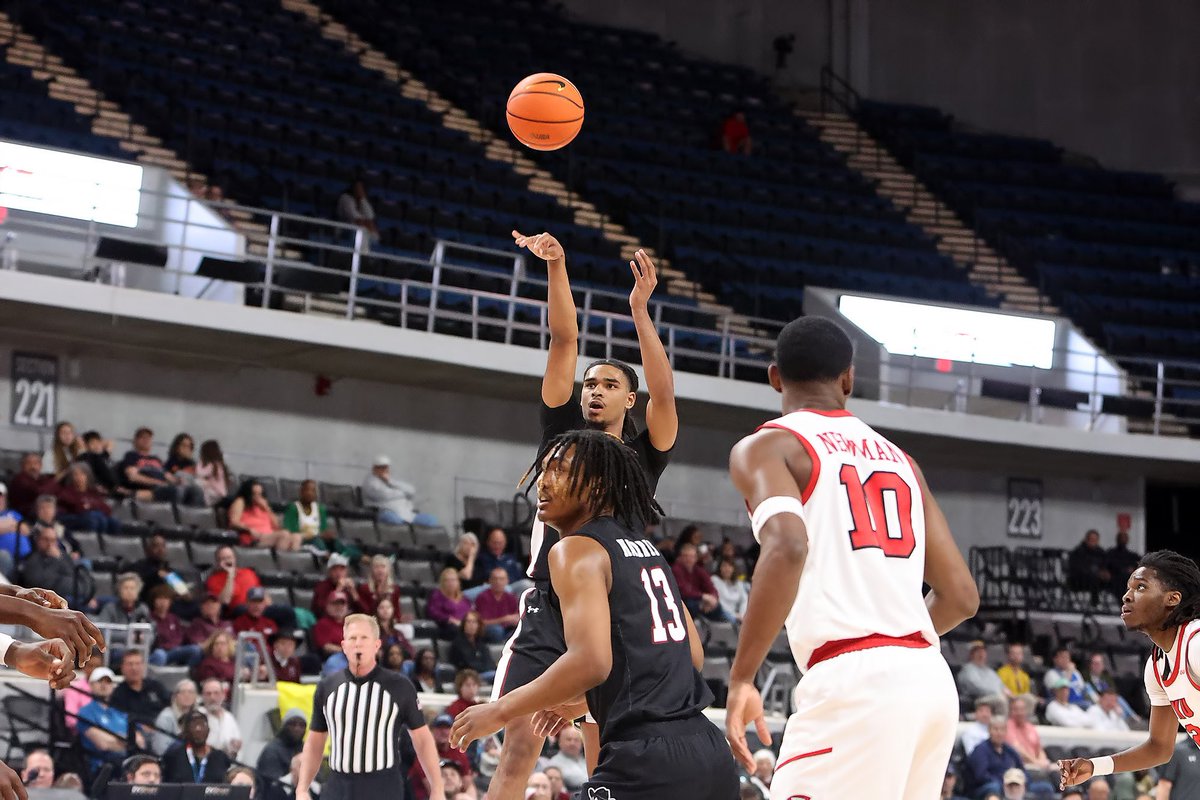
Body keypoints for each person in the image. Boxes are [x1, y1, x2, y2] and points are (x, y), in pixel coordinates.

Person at [721, 317, 979, 800]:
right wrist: (896, 643)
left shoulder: (768, 446)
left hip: (854, 680)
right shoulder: (903, 461)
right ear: (849, 379)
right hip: (929, 680)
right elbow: (962, 597)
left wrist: (741, 677)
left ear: (775, 378)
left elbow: (787, 546)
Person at [481, 232, 680, 800]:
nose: (593, 391)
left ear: (629, 401)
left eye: (609, 385)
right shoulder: (560, 433)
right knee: (520, 741)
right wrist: (557, 266)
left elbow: (665, 394)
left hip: (617, 609)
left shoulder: (644, 454)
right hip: (550, 604)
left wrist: (640, 312)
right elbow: (564, 338)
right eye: (590, 384)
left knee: (604, 758)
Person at [450, 429, 736, 800]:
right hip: (709, 752)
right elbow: (690, 656)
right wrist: (584, 702)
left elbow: (591, 661)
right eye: (544, 470)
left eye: (561, 471)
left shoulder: (575, 549)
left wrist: (501, 709)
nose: (544, 482)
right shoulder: (646, 550)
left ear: (598, 486)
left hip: (646, 762)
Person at [1060, 551, 1200, 789]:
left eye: (1141, 587)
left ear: (1172, 598)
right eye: (1128, 588)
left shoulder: (1195, 644)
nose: (1126, 596)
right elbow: (1159, 747)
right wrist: (1095, 766)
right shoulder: (1156, 667)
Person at [295, 613, 446, 800]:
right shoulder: (327, 687)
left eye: (364, 637)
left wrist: (437, 789)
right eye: (352, 638)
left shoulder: (400, 686)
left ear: (376, 645)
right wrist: (302, 788)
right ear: (344, 646)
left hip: (382, 786)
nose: (358, 643)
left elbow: (422, 739)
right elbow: (315, 741)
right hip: (337, 786)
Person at [78, 666, 143, 774]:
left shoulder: (120, 712)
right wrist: (125, 739)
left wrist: (116, 739)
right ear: (91, 685)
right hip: (103, 766)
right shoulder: (85, 712)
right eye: (99, 681)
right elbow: (103, 744)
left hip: (129, 763)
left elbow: (140, 741)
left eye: (108, 682)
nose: (104, 685)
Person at [120, 427, 203, 506]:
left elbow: (168, 476)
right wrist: (159, 483)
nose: (146, 440)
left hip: (164, 487)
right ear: (135, 441)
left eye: (149, 438)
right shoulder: (131, 456)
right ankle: (174, 518)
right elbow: (133, 477)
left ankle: (193, 520)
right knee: (176, 490)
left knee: (196, 491)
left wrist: (178, 481)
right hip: (151, 489)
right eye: (142, 437)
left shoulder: (156, 459)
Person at [362, 456, 439, 527]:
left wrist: (391, 482)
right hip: (385, 512)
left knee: (431, 520)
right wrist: (403, 493)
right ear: (374, 468)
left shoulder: (390, 480)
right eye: (381, 467)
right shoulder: (370, 481)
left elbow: (411, 490)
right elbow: (383, 494)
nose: (384, 470)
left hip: (406, 514)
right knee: (395, 521)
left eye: (386, 467)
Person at [162, 709, 233, 783]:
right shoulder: (173, 756)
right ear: (185, 731)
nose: (198, 729)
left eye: (202, 724)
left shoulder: (220, 757)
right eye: (193, 725)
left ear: (209, 730)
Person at [409, 715, 470, 800]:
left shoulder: (459, 753)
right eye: (439, 728)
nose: (443, 732)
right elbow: (431, 788)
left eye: (447, 728)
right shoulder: (425, 752)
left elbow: (467, 782)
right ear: (431, 731)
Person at [228, 480, 300, 551]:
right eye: (254, 494)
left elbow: (277, 526)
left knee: (296, 537)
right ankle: (280, 561)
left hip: (270, 536)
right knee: (284, 535)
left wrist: (267, 508)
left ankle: (290, 562)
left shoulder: (264, 507)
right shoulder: (241, 501)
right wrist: (249, 529)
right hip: (254, 538)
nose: (257, 497)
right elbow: (233, 522)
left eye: (260, 494)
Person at [963, 717, 1026, 798]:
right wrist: (1003, 782)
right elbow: (981, 776)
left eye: (1002, 729)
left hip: (1011, 783)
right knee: (995, 787)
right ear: (989, 730)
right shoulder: (981, 750)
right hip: (982, 789)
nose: (999, 733)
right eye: (995, 729)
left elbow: (1022, 769)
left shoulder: (1009, 750)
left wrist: (1023, 780)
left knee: (1042, 787)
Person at [21, 525, 80, 606]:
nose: (50, 544)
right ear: (38, 540)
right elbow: (42, 584)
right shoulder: (32, 560)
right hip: (48, 601)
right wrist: (55, 560)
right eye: (46, 539)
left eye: (53, 540)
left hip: (74, 595)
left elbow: (74, 576)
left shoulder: (62, 556)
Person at [111, 649, 170, 730]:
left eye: (137, 664)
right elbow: (119, 720)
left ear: (143, 666)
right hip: (136, 733)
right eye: (130, 664)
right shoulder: (118, 695)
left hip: (162, 729)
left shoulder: (156, 687)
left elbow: (170, 706)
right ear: (122, 668)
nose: (134, 668)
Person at [1006, 696, 1057, 789]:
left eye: (1022, 709)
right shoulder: (1008, 726)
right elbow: (1017, 749)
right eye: (1016, 709)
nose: (1019, 712)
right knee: (1045, 784)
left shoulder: (1031, 727)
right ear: (1010, 712)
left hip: (1037, 765)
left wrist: (1043, 761)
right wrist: (1036, 762)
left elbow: (1039, 749)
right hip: (1021, 767)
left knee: (1061, 772)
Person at [672, 542, 730, 623]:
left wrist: (713, 598)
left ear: (696, 558)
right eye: (686, 556)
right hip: (684, 602)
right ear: (680, 557)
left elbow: (711, 588)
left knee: (717, 606)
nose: (689, 559)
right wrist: (703, 596)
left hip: (701, 603)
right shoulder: (676, 570)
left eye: (691, 556)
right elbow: (684, 592)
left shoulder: (699, 570)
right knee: (690, 605)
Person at [55, 464, 120, 534]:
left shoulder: (93, 492)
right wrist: (94, 507)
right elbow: (78, 508)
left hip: (95, 517)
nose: (79, 477)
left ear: (88, 476)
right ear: (71, 477)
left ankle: (111, 544)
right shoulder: (67, 492)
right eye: (76, 475)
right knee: (94, 518)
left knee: (114, 522)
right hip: (74, 519)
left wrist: (91, 506)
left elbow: (107, 510)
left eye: (82, 474)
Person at [258, 708, 308, 783]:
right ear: (284, 726)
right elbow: (271, 784)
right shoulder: (272, 750)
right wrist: (295, 775)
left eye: (302, 725)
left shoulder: (306, 750)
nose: (297, 729)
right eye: (293, 724)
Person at [958, 641, 1010, 712]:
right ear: (971, 654)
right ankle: (1004, 722)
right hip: (978, 699)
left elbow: (1000, 684)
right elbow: (975, 687)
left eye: (983, 651)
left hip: (994, 697)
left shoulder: (989, 671)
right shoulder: (968, 669)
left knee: (1025, 700)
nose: (981, 654)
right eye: (978, 652)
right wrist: (997, 692)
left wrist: (1007, 692)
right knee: (1001, 699)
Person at [153, 679, 198, 755]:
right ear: (175, 696)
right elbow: (160, 748)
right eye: (183, 692)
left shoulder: (199, 716)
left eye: (190, 692)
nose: (187, 695)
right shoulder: (166, 717)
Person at [200, 677, 242, 757]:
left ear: (223, 695)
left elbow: (237, 744)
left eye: (216, 693)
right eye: (208, 694)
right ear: (203, 696)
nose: (212, 698)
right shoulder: (198, 717)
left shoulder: (229, 717)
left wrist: (235, 746)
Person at [475, 567, 519, 643]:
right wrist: (505, 619)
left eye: (501, 579)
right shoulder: (483, 597)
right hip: (489, 630)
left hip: (507, 629)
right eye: (495, 579)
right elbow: (482, 622)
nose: (498, 582)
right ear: (489, 581)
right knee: (497, 630)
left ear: (507, 581)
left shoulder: (511, 597)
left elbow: (517, 617)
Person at [448, 610, 495, 680]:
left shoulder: (480, 643)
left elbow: (489, 662)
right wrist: (485, 668)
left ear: (478, 625)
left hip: (484, 673)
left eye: (474, 622)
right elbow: (469, 664)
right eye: (468, 622)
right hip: (466, 676)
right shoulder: (458, 643)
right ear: (464, 624)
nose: (471, 625)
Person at [9, 453, 57, 518]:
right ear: (22, 466)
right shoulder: (19, 479)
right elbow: (39, 492)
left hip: (44, 513)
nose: (32, 466)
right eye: (28, 463)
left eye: (36, 463)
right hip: (24, 515)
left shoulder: (43, 479)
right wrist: (54, 481)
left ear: (41, 465)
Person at [427, 568, 471, 639]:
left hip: (465, 626)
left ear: (458, 582)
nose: (450, 583)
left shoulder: (464, 599)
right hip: (447, 627)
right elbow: (433, 612)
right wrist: (450, 619)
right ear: (442, 582)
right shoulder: (437, 595)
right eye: (447, 580)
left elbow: (471, 614)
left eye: (453, 580)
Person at [0, 482, 30, 580]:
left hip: (26, 557)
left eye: (1, 496)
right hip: (6, 557)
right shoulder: (13, 517)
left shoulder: (13, 513)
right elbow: (18, 526)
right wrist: (13, 525)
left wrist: (6, 526)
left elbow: (26, 530)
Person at [541, 726, 586, 793]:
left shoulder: (586, 761)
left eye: (576, 740)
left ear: (582, 743)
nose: (572, 743)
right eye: (569, 739)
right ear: (560, 742)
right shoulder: (554, 764)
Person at [78, 432, 122, 497]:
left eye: (98, 442)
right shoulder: (87, 457)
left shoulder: (103, 456)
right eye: (92, 443)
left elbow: (109, 444)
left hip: (117, 490)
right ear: (86, 446)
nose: (96, 445)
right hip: (103, 492)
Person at [314, 592, 352, 661]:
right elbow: (326, 647)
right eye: (335, 604)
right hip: (336, 658)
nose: (339, 607)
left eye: (342, 604)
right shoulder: (323, 624)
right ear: (327, 607)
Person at [712, 557, 749, 623]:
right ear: (720, 568)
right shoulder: (715, 580)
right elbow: (719, 602)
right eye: (724, 566)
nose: (727, 569)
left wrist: (742, 614)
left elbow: (744, 600)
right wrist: (734, 615)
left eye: (730, 566)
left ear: (733, 568)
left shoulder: (738, 583)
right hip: (722, 615)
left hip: (737, 616)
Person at [196, 440, 230, 508]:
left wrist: (199, 463)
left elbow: (199, 474)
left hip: (216, 494)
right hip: (216, 493)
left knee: (197, 484)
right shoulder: (219, 464)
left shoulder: (214, 465)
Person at [1108, 529, 1141, 595]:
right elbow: (1109, 565)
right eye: (1121, 538)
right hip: (1115, 577)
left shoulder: (1131, 555)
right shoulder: (1111, 553)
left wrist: (1133, 568)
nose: (1123, 540)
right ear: (1117, 539)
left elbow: (1140, 561)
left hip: (1128, 577)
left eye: (1124, 538)